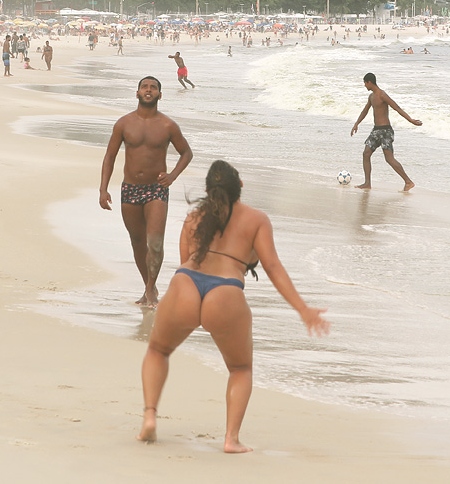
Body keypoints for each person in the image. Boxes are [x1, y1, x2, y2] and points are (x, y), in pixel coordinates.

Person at [138, 160, 330, 452]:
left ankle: (150, 417)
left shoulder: (193, 217)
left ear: (207, 189)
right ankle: (231, 439)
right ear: (240, 186)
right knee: (240, 368)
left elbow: (184, 261)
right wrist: (303, 309)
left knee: (158, 350)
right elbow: (272, 266)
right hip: (225, 292)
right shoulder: (256, 220)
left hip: (186, 283)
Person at [99, 76, 193, 308]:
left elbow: (187, 153)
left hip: (156, 190)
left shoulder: (168, 126)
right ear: (137, 93)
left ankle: (150, 290)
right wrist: (103, 189)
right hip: (129, 189)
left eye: (153, 88)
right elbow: (110, 156)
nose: (148, 90)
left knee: (155, 242)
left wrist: (172, 176)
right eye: (144, 87)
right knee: (137, 241)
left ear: (160, 95)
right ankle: (148, 286)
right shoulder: (123, 123)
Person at [351, 72, 423, 191]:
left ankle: (408, 182)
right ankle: (367, 183)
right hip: (376, 130)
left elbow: (397, 108)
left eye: (364, 83)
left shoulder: (382, 95)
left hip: (385, 131)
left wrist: (410, 120)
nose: (364, 86)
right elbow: (365, 111)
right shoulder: (371, 97)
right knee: (366, 153)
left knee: (389, 158)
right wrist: (356, 123)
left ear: (369, 82)